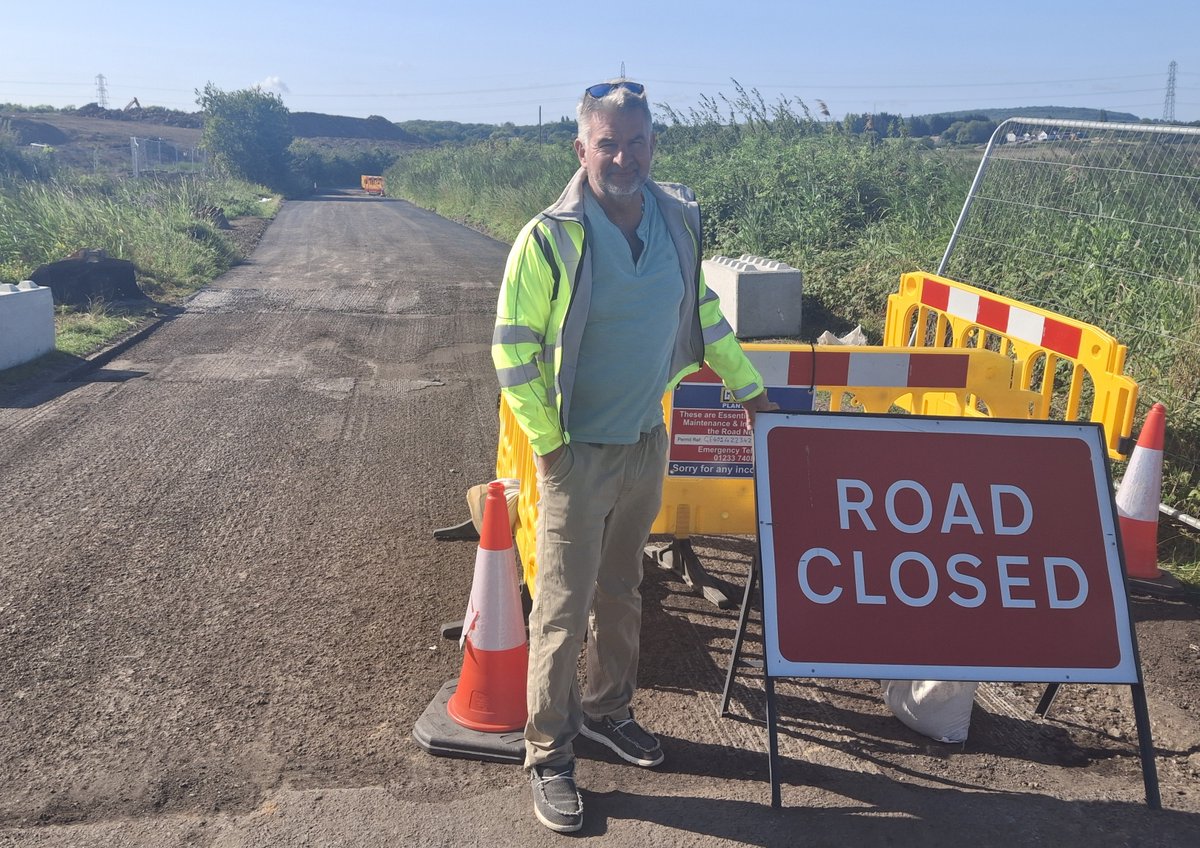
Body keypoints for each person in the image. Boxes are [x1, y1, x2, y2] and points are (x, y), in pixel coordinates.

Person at [492, 78, 776, 833]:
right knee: (560, 610)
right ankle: (549, 754)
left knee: (623, 590)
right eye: (607, 142)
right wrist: (549, 448)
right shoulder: (549, 237)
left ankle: (606, 710)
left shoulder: (677, 221)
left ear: (654, 145)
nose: (623, 156)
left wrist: (749, 392)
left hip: (647, 439)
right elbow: (513, 350)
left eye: (637, 141)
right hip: (577, 453)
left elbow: (702, 312)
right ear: (581, 147)